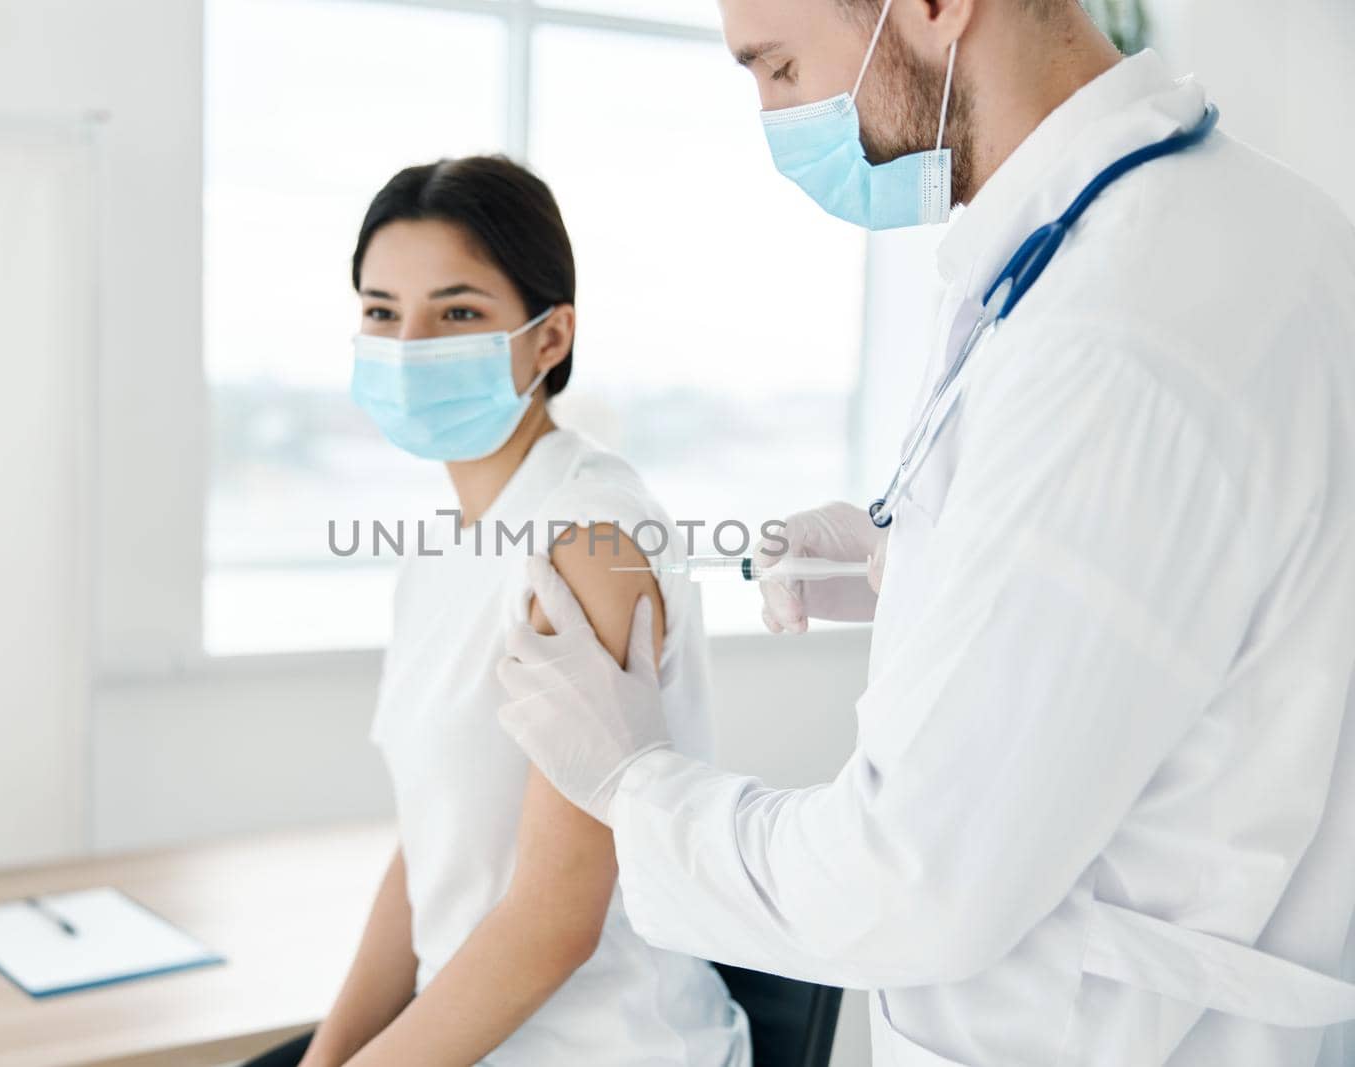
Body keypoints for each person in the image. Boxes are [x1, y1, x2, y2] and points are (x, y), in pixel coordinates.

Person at [496, 1, 1355, 1065]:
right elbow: (1198, 594)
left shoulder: (1112, 335)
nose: (774, 116)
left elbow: (908, 880)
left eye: (776, 65)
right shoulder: (1233, 224)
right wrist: (922, 557)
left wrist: (636, 785)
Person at [246, 156, 750, 1067]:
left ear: (549, 337)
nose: (410, 345)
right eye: (381, 312)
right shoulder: (442, 554)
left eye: (459, 312)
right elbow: (429, 853)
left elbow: (553, 924)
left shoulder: (589, 536)